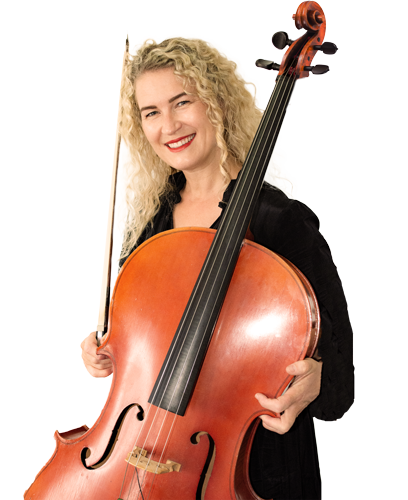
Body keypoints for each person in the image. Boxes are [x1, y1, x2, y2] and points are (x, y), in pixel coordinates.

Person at [80, 36, 353, 499]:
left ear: (217, 102)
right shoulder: (151, 226)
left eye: (182, 102)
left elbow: (348, 352)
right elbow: (144, 338)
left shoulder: (280, 223)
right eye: (151, 112)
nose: (169, 125)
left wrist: (320, 380)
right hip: (143, 443)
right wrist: (107, 351)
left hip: (251, 462)